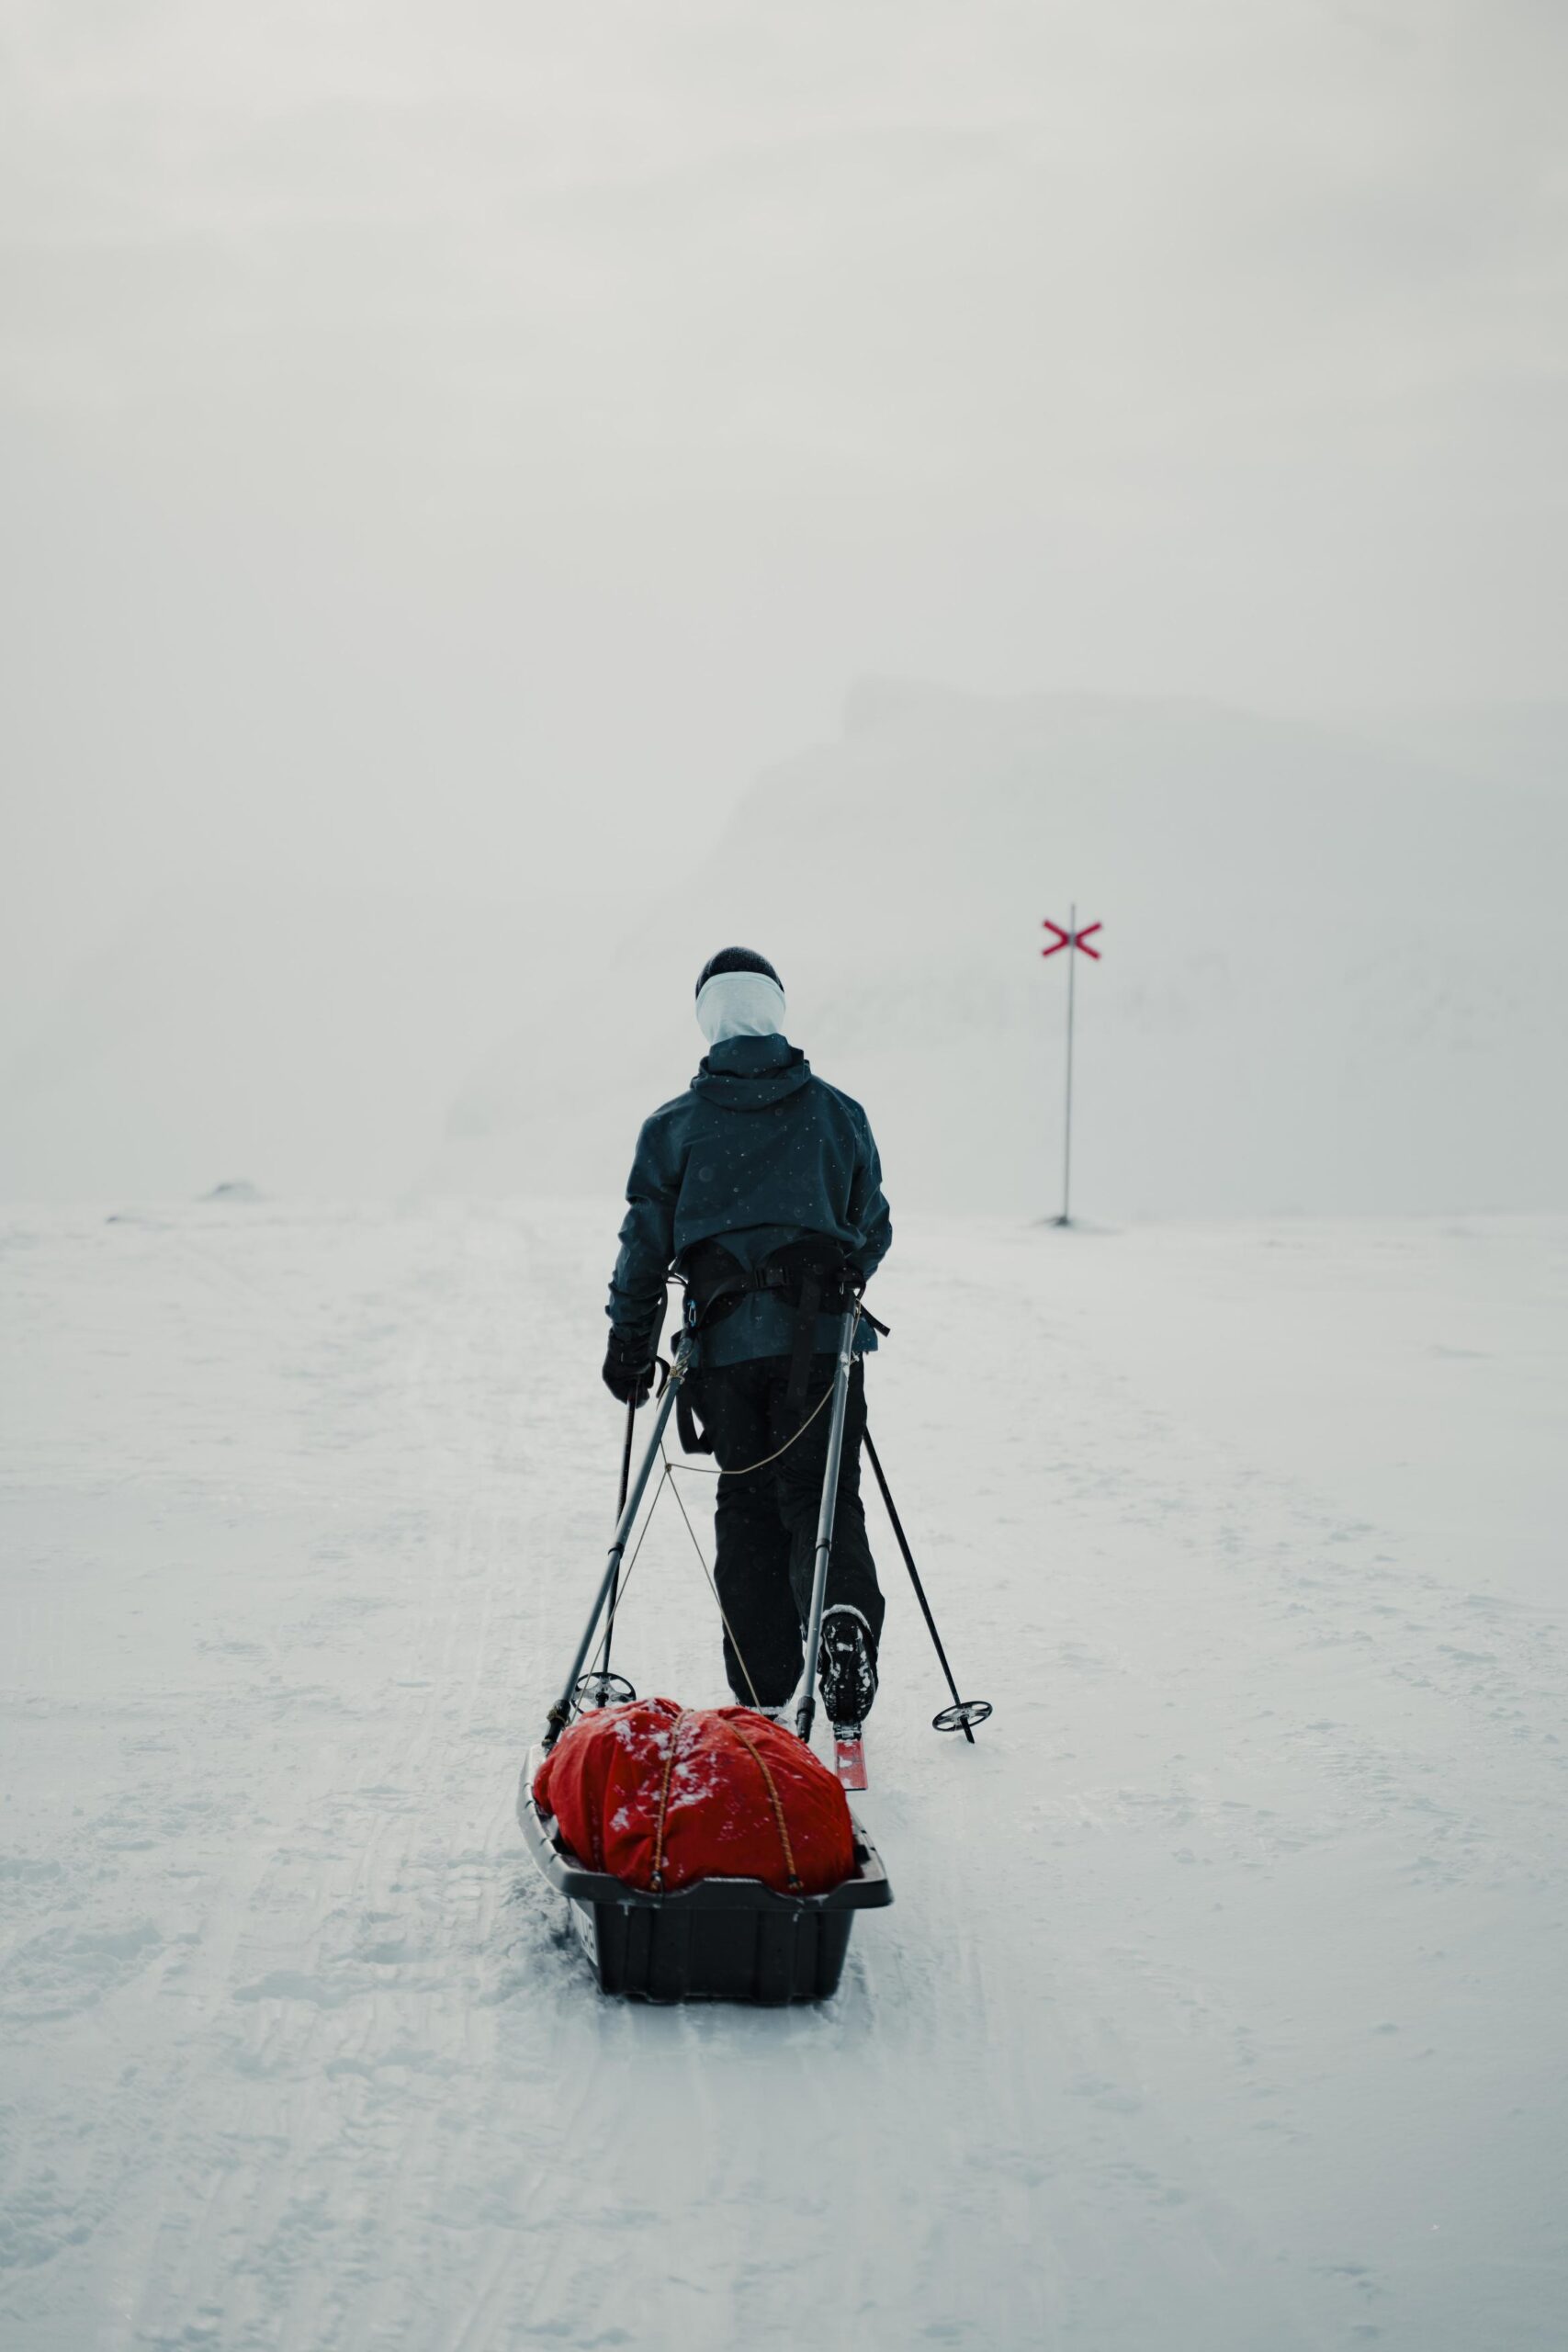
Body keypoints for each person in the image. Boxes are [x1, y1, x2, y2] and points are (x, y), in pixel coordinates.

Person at [602, 946, 892, 1736]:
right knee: (820, 1496)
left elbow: (642, 1249)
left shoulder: (673, 1128)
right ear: (775, 1011)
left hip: (725, 1353)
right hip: (824, 1346)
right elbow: (873, 1226)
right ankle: (840, 1615)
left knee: (748, 1501)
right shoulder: (838, 1114)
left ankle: (763, 1693)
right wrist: (834, 1283)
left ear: (707, 1017)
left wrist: (630, 1346)